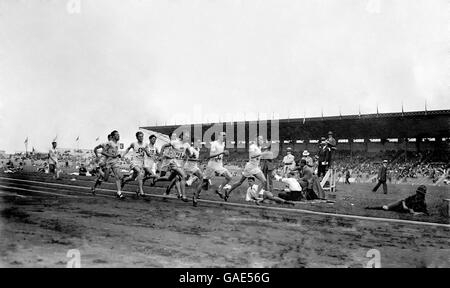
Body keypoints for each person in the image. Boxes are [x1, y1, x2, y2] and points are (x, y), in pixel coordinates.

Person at [225, 135, 269, 201]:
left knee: (264, 181)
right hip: (250, 167)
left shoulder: (259, 147)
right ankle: (228, 191)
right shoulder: (252, 147)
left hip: (255, 167)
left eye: (262, 139)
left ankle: (255, 195)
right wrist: (262, 154)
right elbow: (252, 156)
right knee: (240, 182)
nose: (262, 141)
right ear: (256, 140)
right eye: (260, 139)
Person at [91, 131, 125, 199]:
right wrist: (97, 156)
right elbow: (102, 151)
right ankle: (99, 170)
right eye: (117, 135)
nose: (119, 136)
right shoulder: (107, 143)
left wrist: (118, 155)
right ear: (112, 137)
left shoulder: (117, 143)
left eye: (119, 135)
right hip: (105, 162)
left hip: (114, 162)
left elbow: (115, 152)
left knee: (118, 177)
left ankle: (119, 193)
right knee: (105, 178)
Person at [203, 132, 232, 198]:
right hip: (212, 165)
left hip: (218, 165)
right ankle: (196, 195)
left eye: (225, 136)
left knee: (229, 177)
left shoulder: (223, 144)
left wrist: (225, 154)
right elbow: (211, 155)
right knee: (204, 182)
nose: (225, 137)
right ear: (219, 136)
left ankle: (219, 190)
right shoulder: (214, 144)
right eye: (223, 135)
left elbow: (220, 154)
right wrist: (222, 152)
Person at [121, 131, 149, 197]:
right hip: (134, 163)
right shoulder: (134, 144)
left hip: (141, 163)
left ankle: (124, 180)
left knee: (133, 178)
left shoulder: (145, 144)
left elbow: (148, 154)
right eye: (139, 136)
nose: (141, 137)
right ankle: (141, 191)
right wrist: (123, 155)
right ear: (137, 137)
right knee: (140, 173)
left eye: (142, 136)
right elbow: (128, 149)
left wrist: (145, 150)